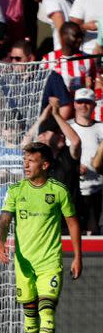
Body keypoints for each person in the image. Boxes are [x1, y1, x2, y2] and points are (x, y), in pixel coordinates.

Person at [0, 142, 82, 333]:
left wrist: (77, 257)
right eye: (25, 160)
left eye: (31, 161)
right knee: (30, 312)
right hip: (24, 263)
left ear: (44, 165)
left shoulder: (58, 190)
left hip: (50, 262)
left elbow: (73, 224)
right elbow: (4, 219)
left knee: (46, 308)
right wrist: (0, 241)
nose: (25, 164)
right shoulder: (16, 191)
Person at [66, 88, 103, 235]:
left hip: (97, 190)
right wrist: (75, 168)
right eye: (80, 102)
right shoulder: (67, 127)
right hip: (72, 190)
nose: (83, 106)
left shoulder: (101, 128)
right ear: (74, 104)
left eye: (87, 103)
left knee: (93, 234)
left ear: (94, 105)